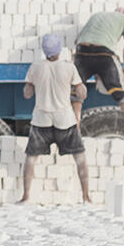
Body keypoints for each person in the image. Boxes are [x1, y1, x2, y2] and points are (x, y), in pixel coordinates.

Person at [19, 34, 92, 204]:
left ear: (44, 52)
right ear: (59, 50)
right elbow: (82, 93)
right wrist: (78, 87)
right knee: (80, 158)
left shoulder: (36, 67)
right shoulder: (69, 67)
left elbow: (27, 94)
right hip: (65, 120)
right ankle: (86, 197)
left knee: (31, 158)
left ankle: (26, 196)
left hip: (40, 120)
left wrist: (33, 85)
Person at [73, 8, 124, 138]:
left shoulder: (96, 14)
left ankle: (75, 132)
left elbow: (76, 41)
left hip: (81, 53)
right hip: (104, 54)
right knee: (120, 92)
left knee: (76, 92)